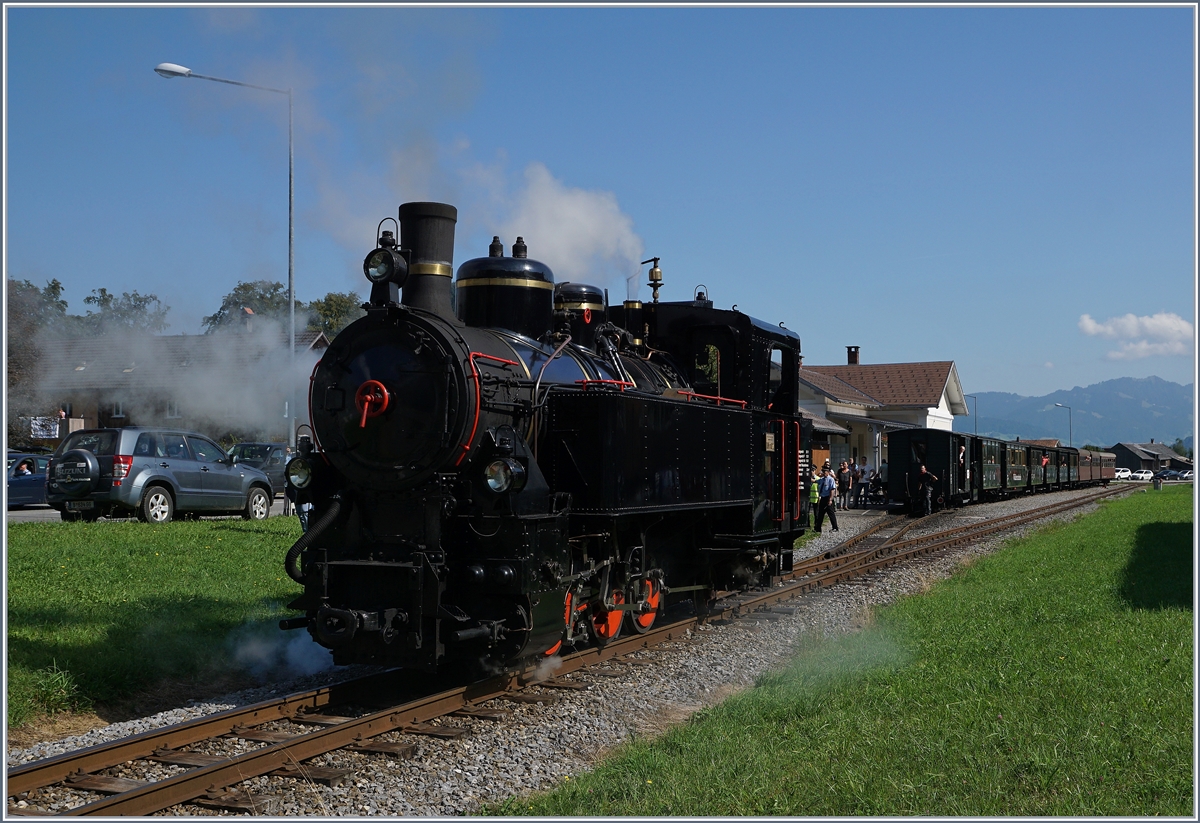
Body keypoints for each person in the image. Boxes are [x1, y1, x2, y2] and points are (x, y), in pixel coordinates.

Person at [814, 466, 840, 533]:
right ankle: (818, 528)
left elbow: (832, 490)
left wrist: (830, 499)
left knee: (831, 514)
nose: (823, 473)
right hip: (823, 498)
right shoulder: (822, 479)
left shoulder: (830, 480)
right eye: (823, 471)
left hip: (828, 498)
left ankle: (835, 527)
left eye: (825, 472)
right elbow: (816, 481)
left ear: (828, 472)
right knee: (820, 514)